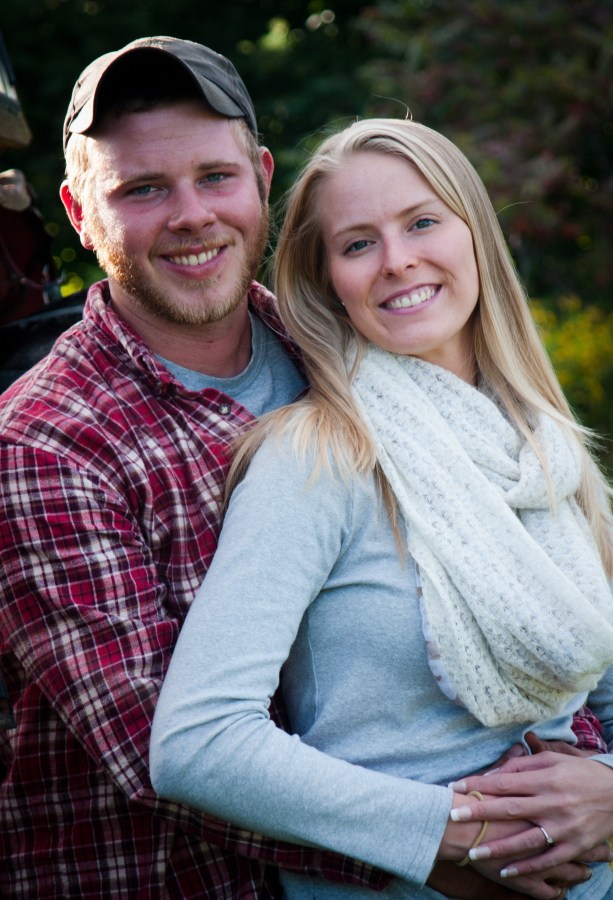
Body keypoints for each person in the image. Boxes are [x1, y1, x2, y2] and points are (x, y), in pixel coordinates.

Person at [150, 118, 613, 899]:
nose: (397, 260)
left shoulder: (545, 451)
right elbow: (197, 743)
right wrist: (447, 831)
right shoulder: (316, 457)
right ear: (327, 279)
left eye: (421, 223)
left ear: (474, 235)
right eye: (358, 243)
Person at [0, 37, 402, 899]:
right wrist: (456, 841)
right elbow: (164, 755)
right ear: (78, 213)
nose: (191, 215)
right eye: (142, 189)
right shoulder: (41, 445)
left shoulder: (355, 362)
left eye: (214, 177)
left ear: (260, 178)